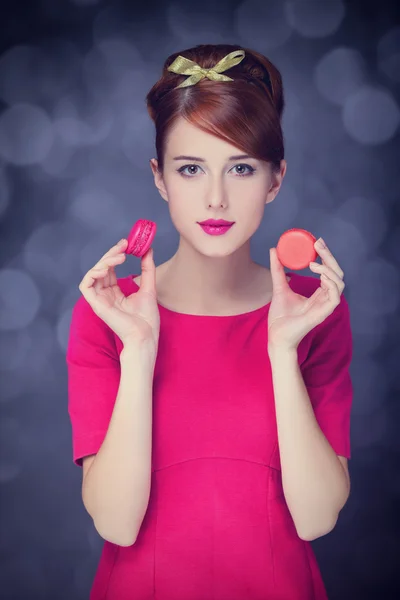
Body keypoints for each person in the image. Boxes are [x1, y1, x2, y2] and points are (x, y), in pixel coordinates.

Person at [66, 44, 353, 600]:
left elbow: (316, 518)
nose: (216, 199)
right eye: (191, 169)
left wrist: (283, 351)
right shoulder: (108, 313)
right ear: (159, 178)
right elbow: (116, 524)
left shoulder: (315, 312)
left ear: (275, 179)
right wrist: (138, 351)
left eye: (241, 168)